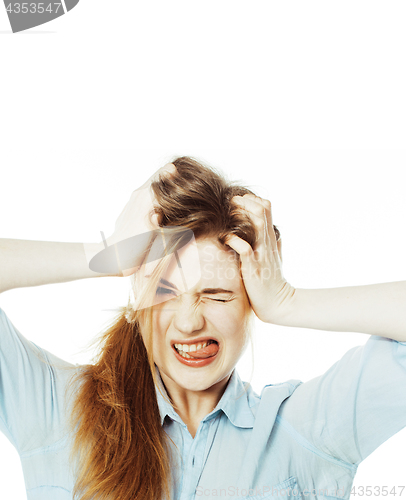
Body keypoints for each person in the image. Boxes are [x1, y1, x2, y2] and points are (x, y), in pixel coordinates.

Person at [0, 155, 405, 500]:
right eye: (166, 291)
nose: (191, 321)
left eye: (218, 295)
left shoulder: (303, 429)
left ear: (252, 302)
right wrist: (106, 255)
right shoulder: (56, 411)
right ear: (137, 297)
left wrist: (288, 302)